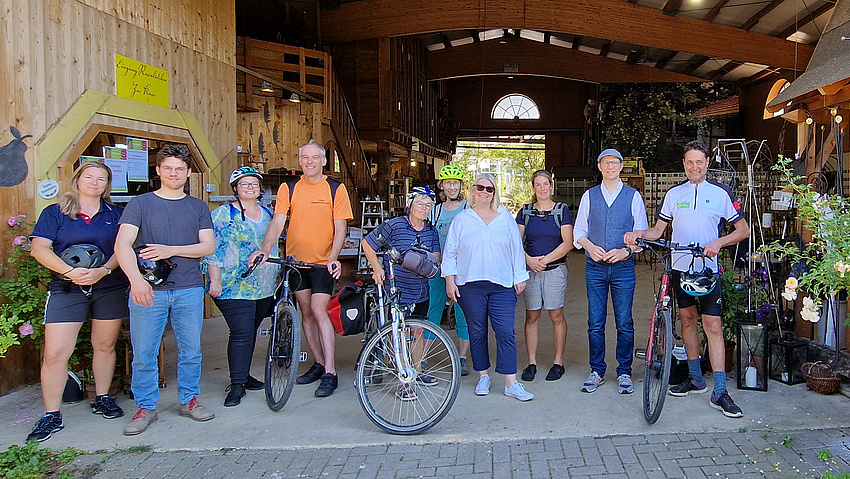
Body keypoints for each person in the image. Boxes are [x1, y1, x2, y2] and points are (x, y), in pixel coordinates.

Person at [625, 140, 749, 418]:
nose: (695, 166)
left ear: (707, 164)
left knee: (713, 327)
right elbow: (658, 231)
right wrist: (638, 234)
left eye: (699, 162)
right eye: (690, 162)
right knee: (688, 322)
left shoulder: (719, 193)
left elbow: (743, 230)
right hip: (679, 268)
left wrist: (718, 243)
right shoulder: (674, 194)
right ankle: (695, 379)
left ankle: (720, 391)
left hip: (707, 270)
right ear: (684, 164)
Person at [115, 144, 216, 435]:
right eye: (168, 168)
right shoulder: (140, 204)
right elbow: (122, 245)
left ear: (187, 173)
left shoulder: (197, 206)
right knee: (144, 351)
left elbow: (207, 246)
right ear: (158, 170)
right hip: (149, 288)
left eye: (180, 169)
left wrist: (171, 249)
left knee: (191, 349)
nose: (174, 173)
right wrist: (136, 281)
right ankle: (146, 407)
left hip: (188, 287)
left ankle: (190, 400)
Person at [26, 161, 129, 442]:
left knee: (105, 345)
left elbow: (124, 248)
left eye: (101, 179)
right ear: (78, 180)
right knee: (55, 353)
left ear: (108, 185)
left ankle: (103, 397)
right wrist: (70, 272)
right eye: (89, 177)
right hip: (66, 289)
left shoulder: (116, 214)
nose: (95, 182)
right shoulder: (56, 213)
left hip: (108, 286)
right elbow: (39, 249)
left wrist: (103, 270)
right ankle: (51, 415)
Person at [249, 140, 353, 398]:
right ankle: (318, 363)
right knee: (306, 312)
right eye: (305, 158)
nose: (309, 162)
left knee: (320, 311)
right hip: (296, 262)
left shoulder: (335, 188)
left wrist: (333, 257)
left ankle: (331, 372)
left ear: (324, 161)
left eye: (314, 157)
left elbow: (340, 228)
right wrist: (265, 247)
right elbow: (278, 221)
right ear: (300, 161)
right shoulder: (289, 187)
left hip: (321, 262)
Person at [442, 173, 532, 401]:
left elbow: (516, 250)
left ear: (494, 193)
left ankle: (511, 382)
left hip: (502, 284)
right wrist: (449, 279)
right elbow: (450, 251)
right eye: (480, 187)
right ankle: (483, 375)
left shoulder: (505, 218)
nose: (484, 192)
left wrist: (520, 277)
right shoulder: (462, 219)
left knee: (505, 331)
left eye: (489, 189)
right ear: (473, 191)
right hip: (470, 284)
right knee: (477, 331)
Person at [573, 149, 648, 395]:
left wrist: (626, 251)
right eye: (606, 163)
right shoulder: (589, 196)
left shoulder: (633, 196)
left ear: (621, 166)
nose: (610, 167)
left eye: (615, 163)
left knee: (624, 321)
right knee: (595, 322)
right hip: (595, 267)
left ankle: (624, 371)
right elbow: (579, 232)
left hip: (623, 268)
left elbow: (641, 234)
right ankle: (597, 371)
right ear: (599, 166)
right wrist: (590, 247)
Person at [206, 167, 279, 407]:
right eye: (245, 184)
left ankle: (244, 376)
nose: (250, 188)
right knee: (241, 332)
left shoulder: (268, 214)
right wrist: (214, 280)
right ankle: (237, 385)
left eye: (254, 184)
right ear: (235, 188)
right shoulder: (223, 215)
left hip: (263, 286)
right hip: (233, 285)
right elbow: (213, 250)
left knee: (250, 331)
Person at [362, 186, 441, 400]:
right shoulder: (394, 225)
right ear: (410, 205)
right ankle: (403, 381)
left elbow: (436, 256)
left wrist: (423, 262)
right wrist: (377, 268)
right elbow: (367, 244)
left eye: (428, 206)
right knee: (401, 333)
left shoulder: (431, 230)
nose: (424, 209)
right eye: (420, 204)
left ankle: (417, 372)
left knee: (417, 331)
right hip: (397, 288)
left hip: (421, 289)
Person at [516, 170, 574, 382]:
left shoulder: (561, 210)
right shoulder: (525, 212)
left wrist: (543, 260)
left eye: (545, 184)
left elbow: (568, 243)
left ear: (551, 186)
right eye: (538, 185)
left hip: (554, 271)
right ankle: (532, 362)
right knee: (532, 316)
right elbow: (515, 241)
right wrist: (528, 260)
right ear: (533, 188)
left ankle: (558, 362)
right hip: (531, 271)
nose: (542, 188)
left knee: (556, 315)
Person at [427, 165, 470, 376]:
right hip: (438, 269)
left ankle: (462, 358)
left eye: (455, 183)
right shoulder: (434, 210)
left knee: (463, 313)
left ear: (460, 185)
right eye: (448, 183)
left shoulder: (467, 209)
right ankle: (424, 355)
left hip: (461, 271)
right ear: (441, 186)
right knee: (432, 311)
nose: (451, 187)